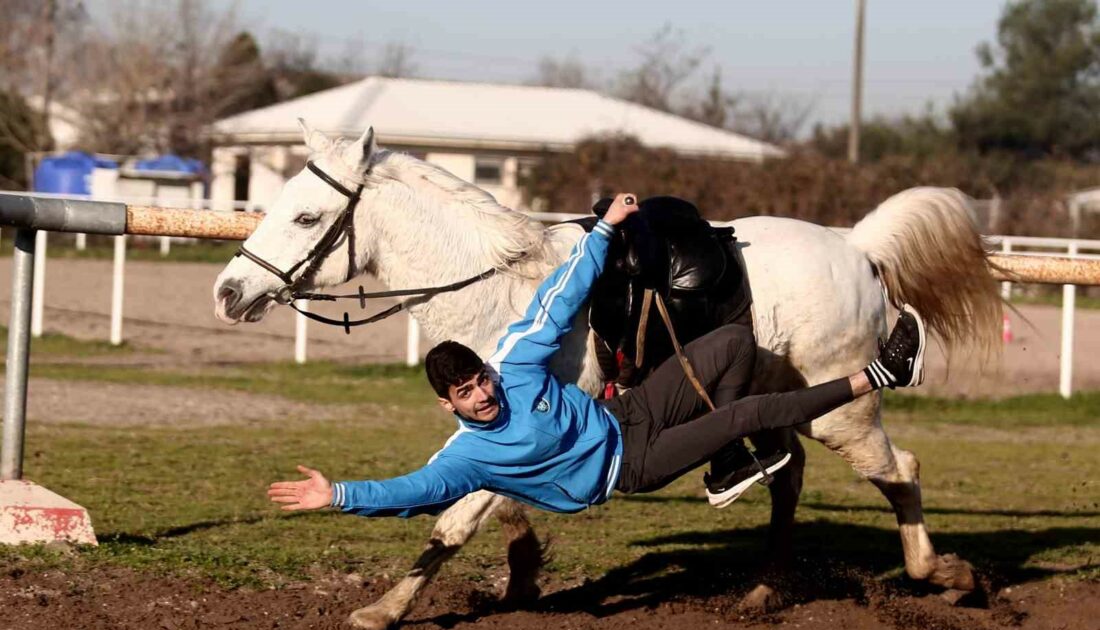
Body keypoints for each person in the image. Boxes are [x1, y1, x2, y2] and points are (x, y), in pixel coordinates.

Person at [268, 194, 927, 516]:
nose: (485, 393)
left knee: (730, 343)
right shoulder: (470, 456)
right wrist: (339, 495)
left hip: (629, 412)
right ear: (450, 406)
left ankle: (728, 466)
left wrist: (607, 228)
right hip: (627, 464)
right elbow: (418, 490)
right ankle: (878, 373)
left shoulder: (515, 364)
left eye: (481, 380)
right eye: (469, 394)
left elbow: (562, 298)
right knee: (748, 414)